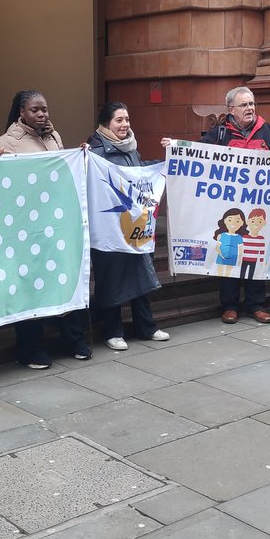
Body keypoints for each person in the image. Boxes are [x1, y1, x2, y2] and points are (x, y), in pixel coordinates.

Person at [0, 90, 91, 367]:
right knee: (29, 287)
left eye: (44, 109)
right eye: (35, 110)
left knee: (64, 280)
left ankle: (74, 340)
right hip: (25, 229)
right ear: (21, 112)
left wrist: (78, 154)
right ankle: (30, 349)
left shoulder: (54, 137)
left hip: (55, 225)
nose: (42, 114)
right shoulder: (6, 142)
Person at [87, 101, 170, 351]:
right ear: (105, 124)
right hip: (109, 227)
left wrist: (166, 160)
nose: (125, 125)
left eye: (127, 120)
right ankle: (112, 331)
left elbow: (139, 172)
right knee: (111, 277)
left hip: (132, 225)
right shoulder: (95, 151)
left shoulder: (130, 147)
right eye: (119, 120)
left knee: (138, 272)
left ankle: (146, 326)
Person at [200, 86, 270, 324]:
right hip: (229, 207)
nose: (250, 109)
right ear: (231, 109)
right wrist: (174, 147)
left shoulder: (268, 131)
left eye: (252, 104)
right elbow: (198, 158)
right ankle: (230, 305)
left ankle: (256, 305)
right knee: (230, 256)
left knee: (254, 256)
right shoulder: (219, 133)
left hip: (257, 207)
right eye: (244, 105)